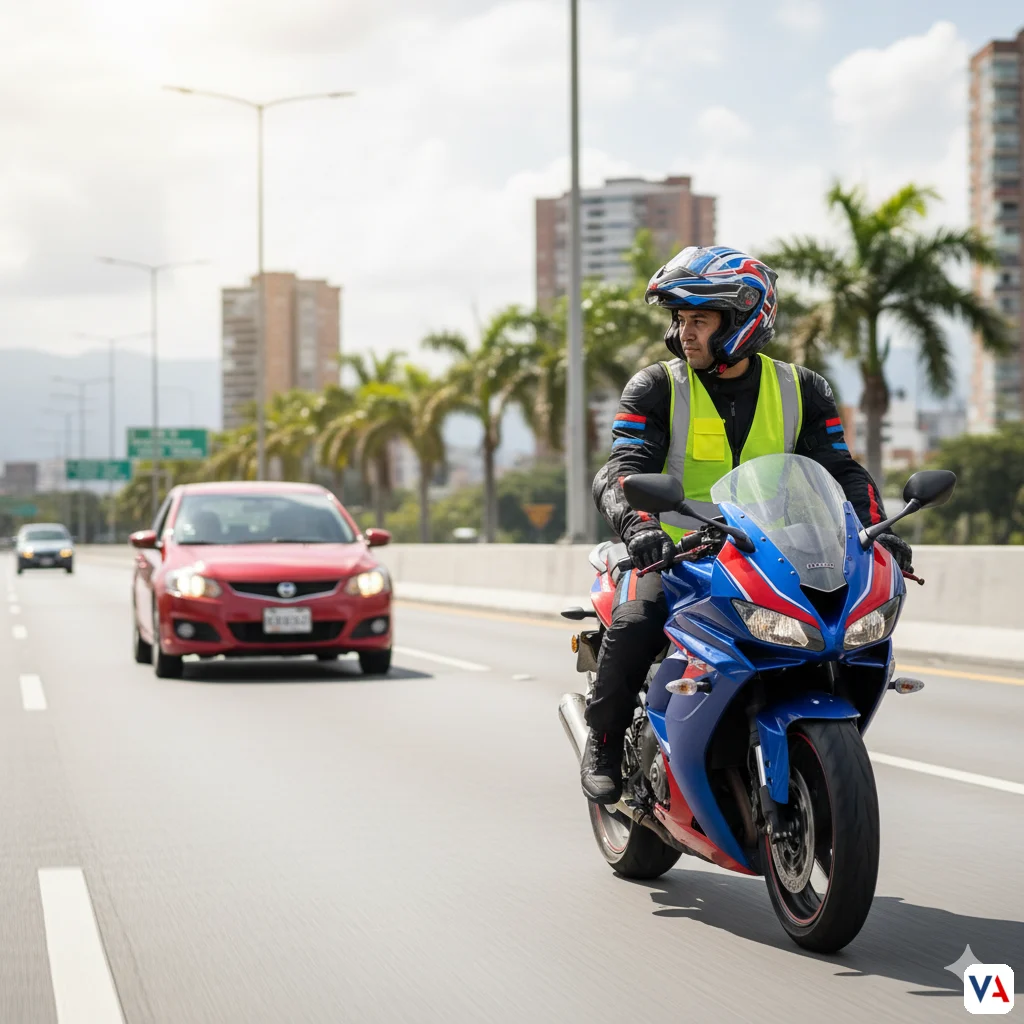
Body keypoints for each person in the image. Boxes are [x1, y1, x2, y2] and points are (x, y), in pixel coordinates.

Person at [581, 245, 913, 804]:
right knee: (637, 617)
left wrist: (874, 530)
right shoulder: (656, 386)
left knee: (846, 630)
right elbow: (622, 469)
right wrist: (640, 529)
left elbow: (841, 471)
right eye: (681, 320)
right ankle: (606, 739)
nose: (686, 333)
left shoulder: (804, 388)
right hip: (677, 551)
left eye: (700, 320)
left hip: (776, 554)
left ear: (742, 320)